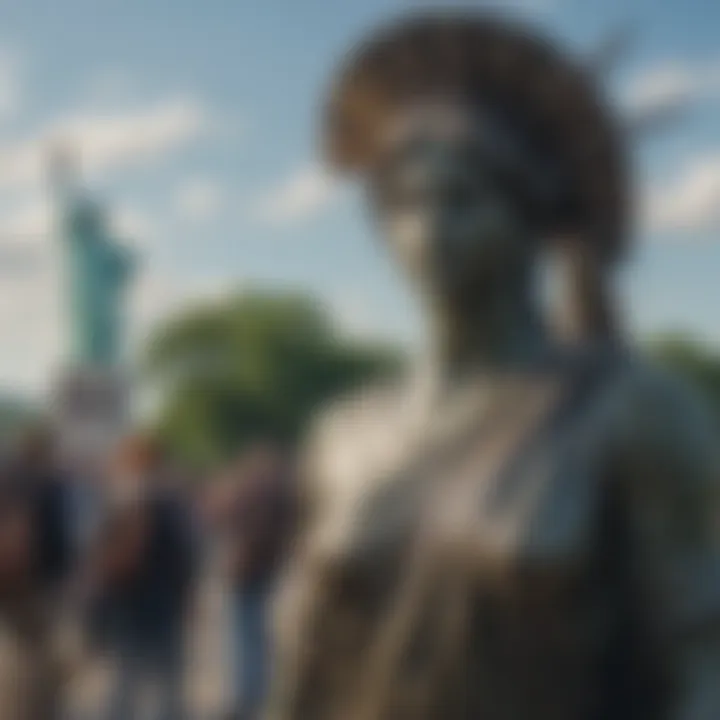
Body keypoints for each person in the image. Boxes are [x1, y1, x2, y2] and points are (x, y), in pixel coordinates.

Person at [265, 11, 720, 720]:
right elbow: (305, 667)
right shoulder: (341, 433)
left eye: (463, 201)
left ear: (530, 221)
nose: (428, 233)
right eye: (403, 205)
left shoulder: (632, 410)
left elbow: (698, 663)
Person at [91, 435, 196, 720]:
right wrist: (187, 597)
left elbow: (114, 559)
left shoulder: (127, 499)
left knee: (125, 683)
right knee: (166, 686)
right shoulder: (173, 502)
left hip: (131, 602)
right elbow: (186, 557)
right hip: (163, 602)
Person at [217, 444, 296, 720]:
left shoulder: (255, 495)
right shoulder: (284, 494)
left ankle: (246, 697)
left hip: (246, 570)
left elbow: (224, 515)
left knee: (244, 635)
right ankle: (256, 693)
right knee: (258, 634)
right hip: (268, 568)